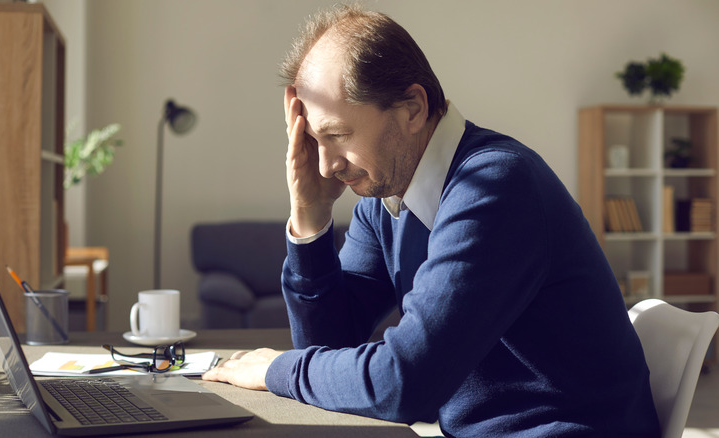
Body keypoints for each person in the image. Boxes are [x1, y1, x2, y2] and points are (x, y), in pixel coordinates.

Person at [203, 5, 661, 436]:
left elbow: (402, 384)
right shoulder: (385, 200)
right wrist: (309, 219)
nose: (325, 166)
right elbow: (329, 349)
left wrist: (273, 369)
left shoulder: (494, 186)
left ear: (413, 109)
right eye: (314, 140)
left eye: (338, 135)